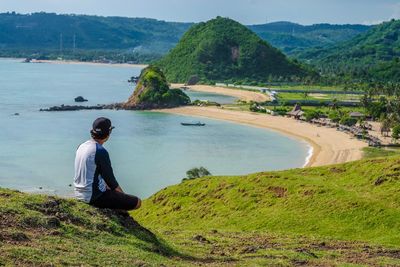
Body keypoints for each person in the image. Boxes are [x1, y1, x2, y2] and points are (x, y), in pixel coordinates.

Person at [74, 117, 141, 210]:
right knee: (137, 202)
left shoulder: (81, 146)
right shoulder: (100, 151)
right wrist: (123, 198)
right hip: (93, 197)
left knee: (106, 185)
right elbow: (111, 181)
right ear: (108, 133)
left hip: (78, 193)